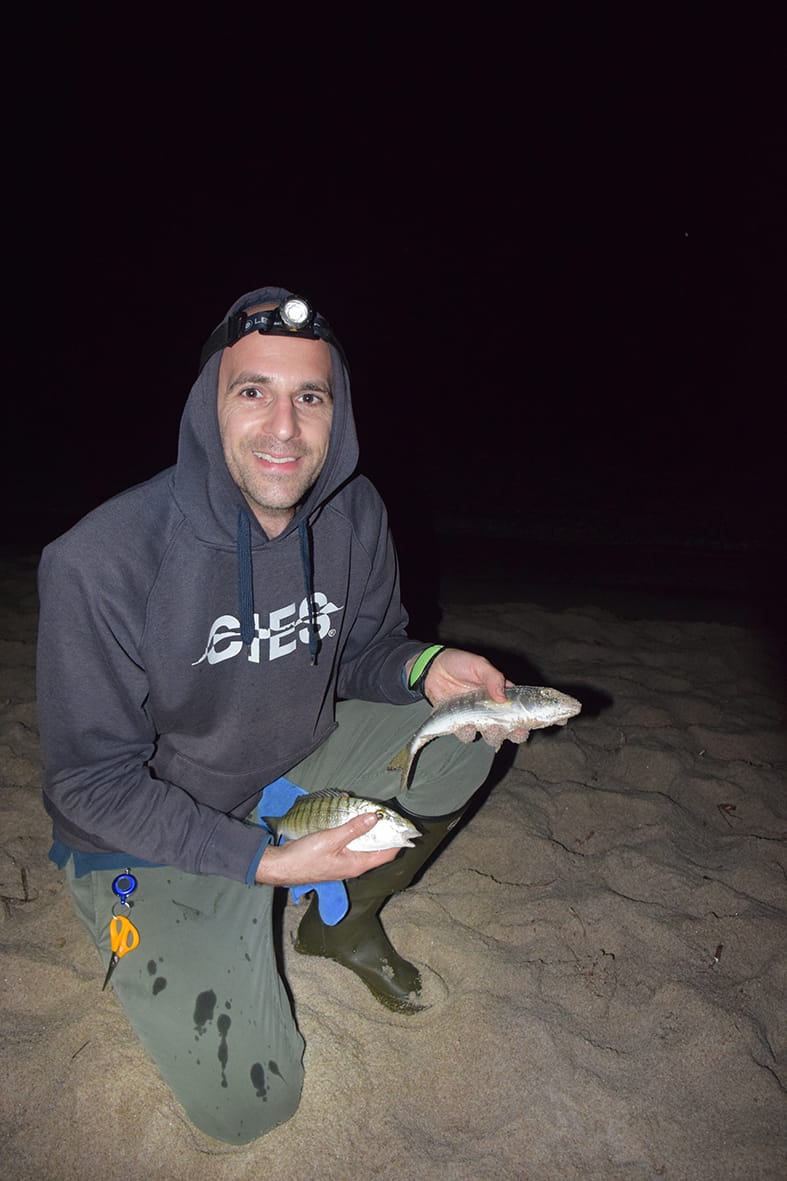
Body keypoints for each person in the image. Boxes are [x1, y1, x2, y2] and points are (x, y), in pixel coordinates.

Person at [36, 286, 508, 1143]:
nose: (284, 427)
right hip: (150, 828)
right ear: (207, 405)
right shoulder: (100, 561)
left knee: (462, 734)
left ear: (338, 412)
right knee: (251, 1106)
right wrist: (262, 862)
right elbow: (88, 785)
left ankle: (341, 925)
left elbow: (362, 649)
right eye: (253, 390)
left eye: (309, 396)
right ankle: (154, 914)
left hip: (290, 771)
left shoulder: (354, 513)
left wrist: (424, 666)